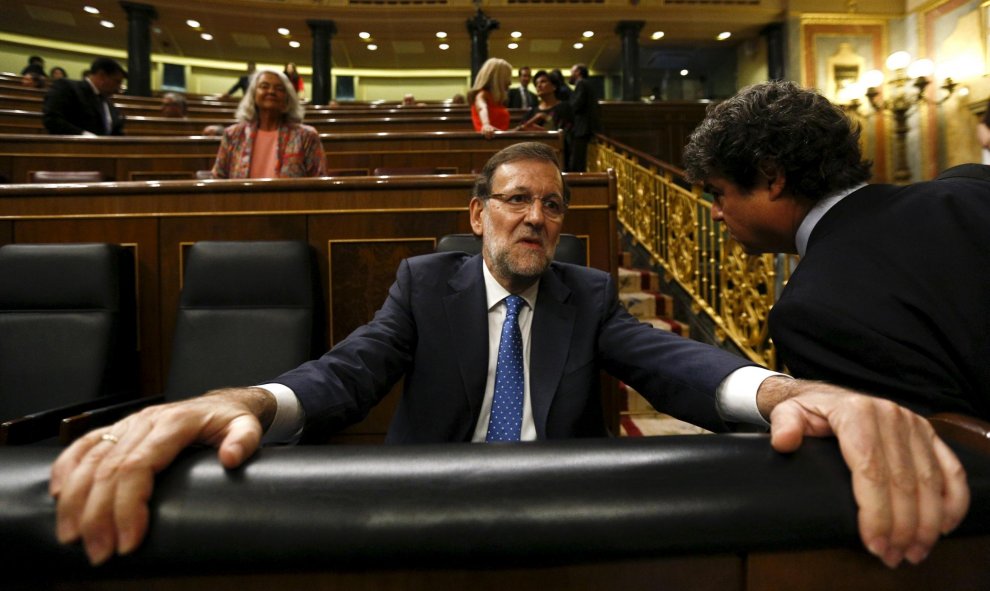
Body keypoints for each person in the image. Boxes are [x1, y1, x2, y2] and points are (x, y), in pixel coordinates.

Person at [51, 141, 967, 570]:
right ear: (479, 211)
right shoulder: (423, 284)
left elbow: (674, 364)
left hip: (563, 528)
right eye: (517, 200)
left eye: (554, 205)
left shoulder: (590, 293)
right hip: (421, 525)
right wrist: (246, 398)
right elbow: (348, 373)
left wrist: (785, 392)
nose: (537, 217)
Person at [682, 79, 990, 423]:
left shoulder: (811, 311)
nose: (716, 212)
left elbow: (916, 445)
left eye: (717, 193)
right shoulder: (971, 186)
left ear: (771, 177)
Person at [211, 68, 326, 179]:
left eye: (279, 88)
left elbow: (319, 183)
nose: (271, 91)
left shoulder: (306, 136)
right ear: (253, 95)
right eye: (264, 86)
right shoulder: (233, 135)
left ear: (288, 98)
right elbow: (217, 179)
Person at [42, 56, 126, 136]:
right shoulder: (67, 87)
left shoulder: (108, 103)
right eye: (117, 82)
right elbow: (52, 120)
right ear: (102, 76)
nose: (118, 88)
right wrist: (85, 136)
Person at [468, 58, 512, 139]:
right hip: (487, 142)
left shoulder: (496, 100)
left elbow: (501, 130)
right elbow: (482, 108)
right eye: (507, 77)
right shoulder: (482, 95)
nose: (510, 82)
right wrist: (486, 124)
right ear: (498, 78)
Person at [566, 63, 600, 172]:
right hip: (586, 128)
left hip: (582, 129)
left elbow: (576, 105)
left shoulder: (581, 84)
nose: (570, 75)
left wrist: (567, 107)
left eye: (572, 71)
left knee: (578, 162)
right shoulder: (588, 84)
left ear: (578, 72)